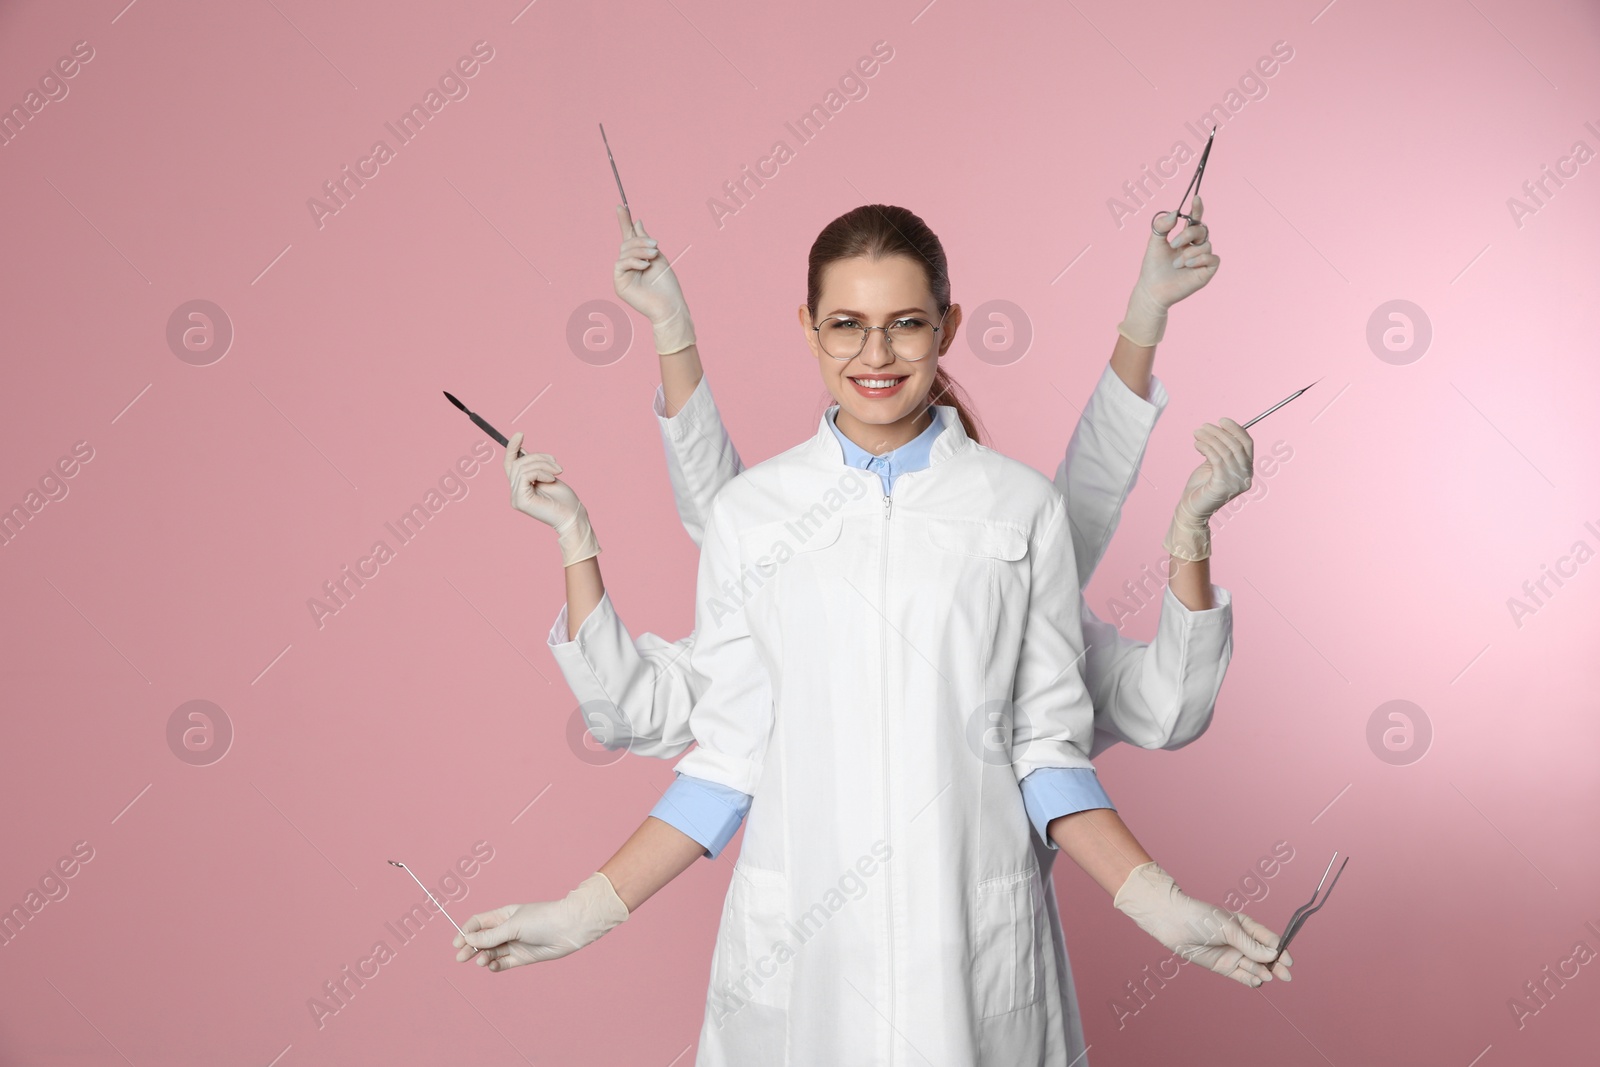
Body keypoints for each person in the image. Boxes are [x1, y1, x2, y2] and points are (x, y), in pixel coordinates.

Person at [460, 204, 1284, 1065]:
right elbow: (726, 759)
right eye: (846, 325)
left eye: (906, 325)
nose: (875, 354)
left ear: (948, 327)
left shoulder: (1015, 507)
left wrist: (1159, 902)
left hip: (969, 949)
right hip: (805, 957)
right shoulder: (754, 516)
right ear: (809, 329)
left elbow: (1047, 750)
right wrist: (581, 912)